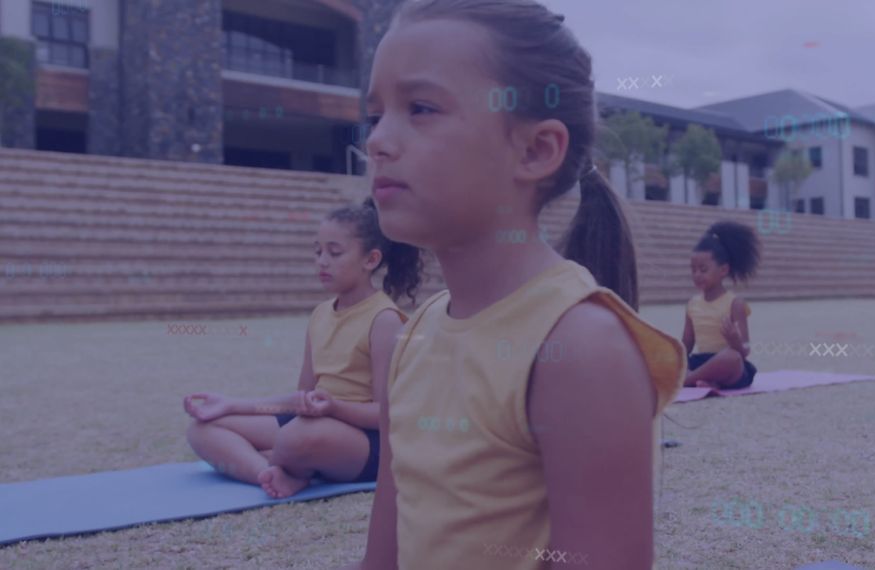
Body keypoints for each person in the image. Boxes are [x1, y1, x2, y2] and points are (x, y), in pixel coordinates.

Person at [349, 2, 686, 569]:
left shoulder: (580, 348)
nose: (379, 140)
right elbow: (385, 550)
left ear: (534, 149)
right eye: (376, 114)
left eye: (421, 108)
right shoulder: (414, 336)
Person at [183, 199, 421, 498]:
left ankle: (281, 458)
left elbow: (387, 415)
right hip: (313, 425)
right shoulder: (321, 313)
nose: (322, 261)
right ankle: (268, 473)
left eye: (334, 253)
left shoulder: (384, 320)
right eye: (318, 251)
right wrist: (232, 405)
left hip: (365, 440)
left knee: (298, 436)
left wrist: (335, 408)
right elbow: (300, 400)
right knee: (203, 428)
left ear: (370, 260)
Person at [682, 222, 761, 389]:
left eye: (703, 270)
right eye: (693, 270)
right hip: (700, 361)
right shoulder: (692, 304)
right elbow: (686, 344)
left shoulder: (735, 304)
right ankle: (706, 381)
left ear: (723, 270)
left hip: (726, 361)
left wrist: (735, 340)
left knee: (731, 358)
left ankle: (688, 381)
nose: (697, 275)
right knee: (665, 359)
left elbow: (744, 351)